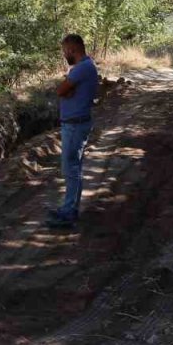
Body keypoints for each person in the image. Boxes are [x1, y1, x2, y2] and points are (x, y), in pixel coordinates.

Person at [48, 35, 99, 229]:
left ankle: (69, 213)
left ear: (73, 49)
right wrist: (68, 88)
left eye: (64, 51)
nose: (64, 54)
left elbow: (61, 90)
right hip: (75, 123)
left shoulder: (82, 68)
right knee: (72, 168)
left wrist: (66, 88)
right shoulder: (85, 67)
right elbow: (66, 90)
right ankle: (68, 209)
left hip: (75, 125)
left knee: (71, 169)